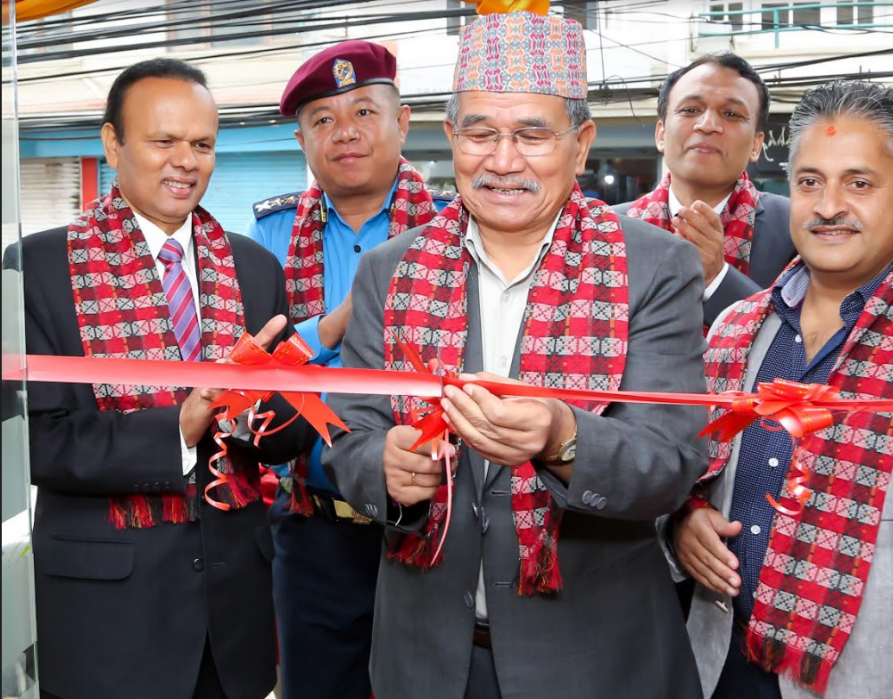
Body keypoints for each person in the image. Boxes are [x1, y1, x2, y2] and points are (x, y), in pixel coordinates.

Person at [322, 8, 709, 699]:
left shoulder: (654, 268)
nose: (503, 161)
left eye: (532, 135)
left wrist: (564, 438)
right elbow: (349, 435)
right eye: (481, 134)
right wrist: (382, 466)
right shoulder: (391, 270)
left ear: (581, 145)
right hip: (426, 659)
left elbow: (671, 463)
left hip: (596, 664)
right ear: (451, 138)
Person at [670, 81, 893, 699]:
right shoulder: (735, 326)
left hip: (880, 680)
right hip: (721, 667)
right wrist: (682, 522)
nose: (827, 206)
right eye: (809, 182)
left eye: (859, 183)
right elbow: (686, 461)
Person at [7, 59, 310, 699]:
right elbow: (34, 442)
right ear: (113, 143)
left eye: (202, 144)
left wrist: (264, 410)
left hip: (233, 616)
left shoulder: (255, 268)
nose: (185, 161)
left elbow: (288, 436)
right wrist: (179, 428)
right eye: (163, 140)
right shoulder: (35, 269)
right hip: (104, 618)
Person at [243, 40, 443, 699]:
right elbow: (246, 379)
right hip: (312, 527)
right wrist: (332, 325)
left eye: (363, 112)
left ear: (402, 123)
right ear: (301, 139)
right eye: (323, 119)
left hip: (437, 521)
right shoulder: (267, 240)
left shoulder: (453, 230)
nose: (346, 132)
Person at [615, 53, 795, 327]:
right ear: (661, 134)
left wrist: (717, 277)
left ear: (756, 145)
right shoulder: (609, 228)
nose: (708, 125)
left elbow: (803, 340)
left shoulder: (795, 227)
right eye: (690, 110)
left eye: (731, 114)